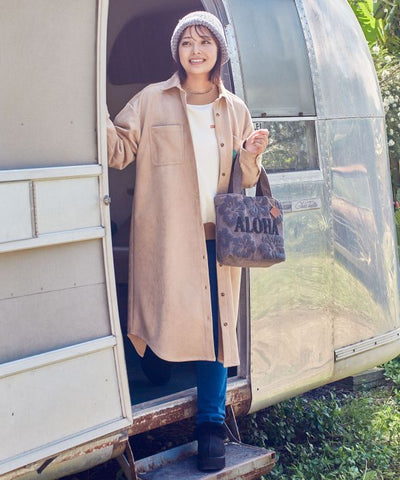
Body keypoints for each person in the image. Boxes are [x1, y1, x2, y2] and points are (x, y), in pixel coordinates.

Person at [107, 11, 269, 472]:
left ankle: (210, 428)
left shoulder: (234, 108)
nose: (195, 51)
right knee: (162, 313)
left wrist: (253, 155)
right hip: (168, 239)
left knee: (217, 333)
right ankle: (156, 362)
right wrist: (90, 112)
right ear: (176, 51)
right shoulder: (151, 100)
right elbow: (119, 149)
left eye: (205, 42)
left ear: (218, 51)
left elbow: (246, 179)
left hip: (220, 239)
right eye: (187, 43)